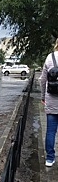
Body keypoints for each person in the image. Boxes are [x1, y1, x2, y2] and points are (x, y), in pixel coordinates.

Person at [40, 38, 58, 167]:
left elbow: (42, 80)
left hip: (51, 100)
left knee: (50, 131)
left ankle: (49, 159)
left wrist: (43, 97)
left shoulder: (50, 57)